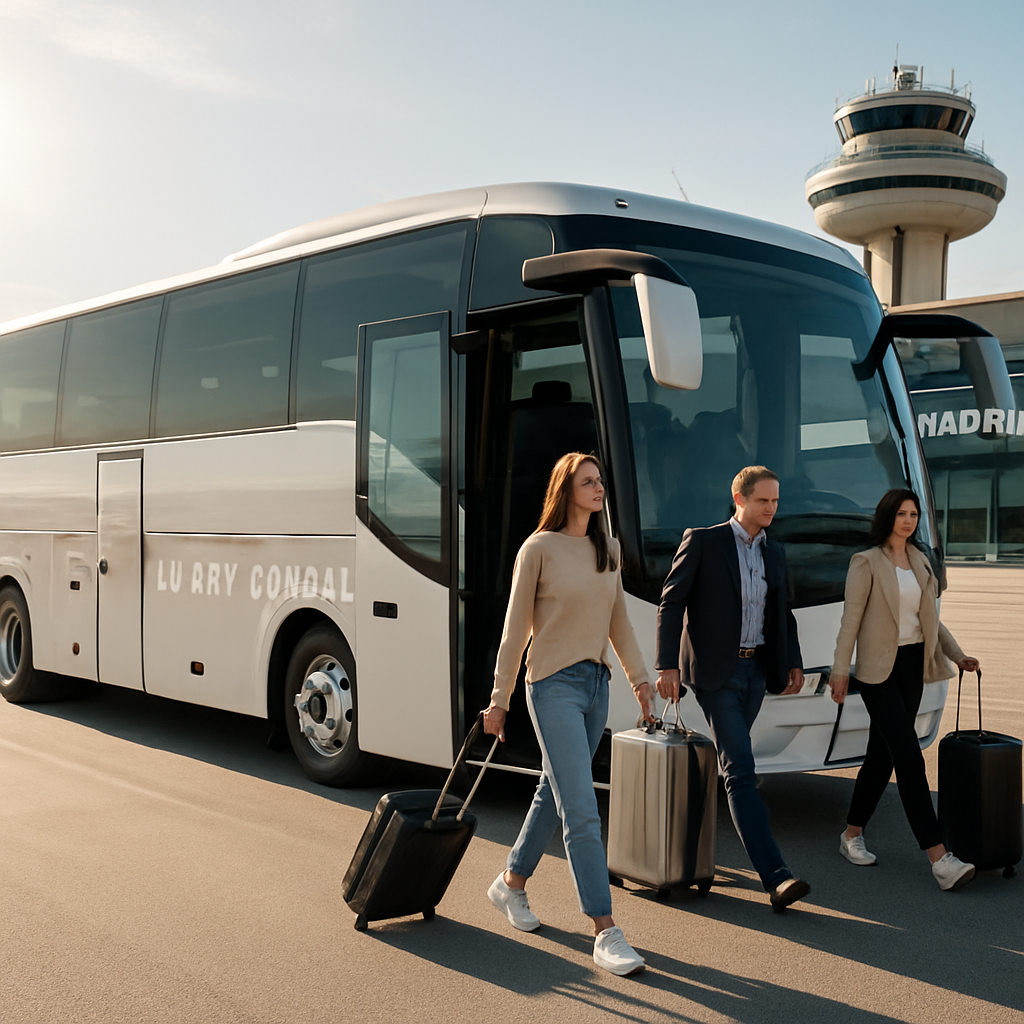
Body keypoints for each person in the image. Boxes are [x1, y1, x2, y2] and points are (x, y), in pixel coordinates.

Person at [482, 452, 656, 977]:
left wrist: (641, 681)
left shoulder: (608, 549)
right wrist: (499, 697)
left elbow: (619, 621)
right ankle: (605, 931)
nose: (599, 488)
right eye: (589, 481)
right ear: (566, 489)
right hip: (551, 684)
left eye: (601, 480)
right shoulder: (538, 549)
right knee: (581, 807)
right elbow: (515, 630)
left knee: (551, 790)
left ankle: (510, 884)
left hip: (595, 685)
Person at [655, 465, 810, 911]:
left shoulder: (774, 552)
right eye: (764, 500)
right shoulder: (704, 541)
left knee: (729, 766)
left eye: (776, 501)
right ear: (739, 498)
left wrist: (793, 661)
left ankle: (684, 854)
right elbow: (672, 601)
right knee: (741, 771)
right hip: (715, 675)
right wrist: (667, 665)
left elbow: (783, 612)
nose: (772, 509)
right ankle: (776, 878)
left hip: (756, 674)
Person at [829, 488, 980, 890]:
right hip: (878, 672)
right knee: (910, 758)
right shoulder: (867, 563)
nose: (909, 520)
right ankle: (939, 858)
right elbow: (850, 622)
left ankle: (850, 835)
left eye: (913, 514)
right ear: (887, 517)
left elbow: (931, 619)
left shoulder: (919, 561)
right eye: (901, 514)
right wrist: (840, 672)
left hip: (912, 667)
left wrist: (957, 654)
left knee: (882, 757)